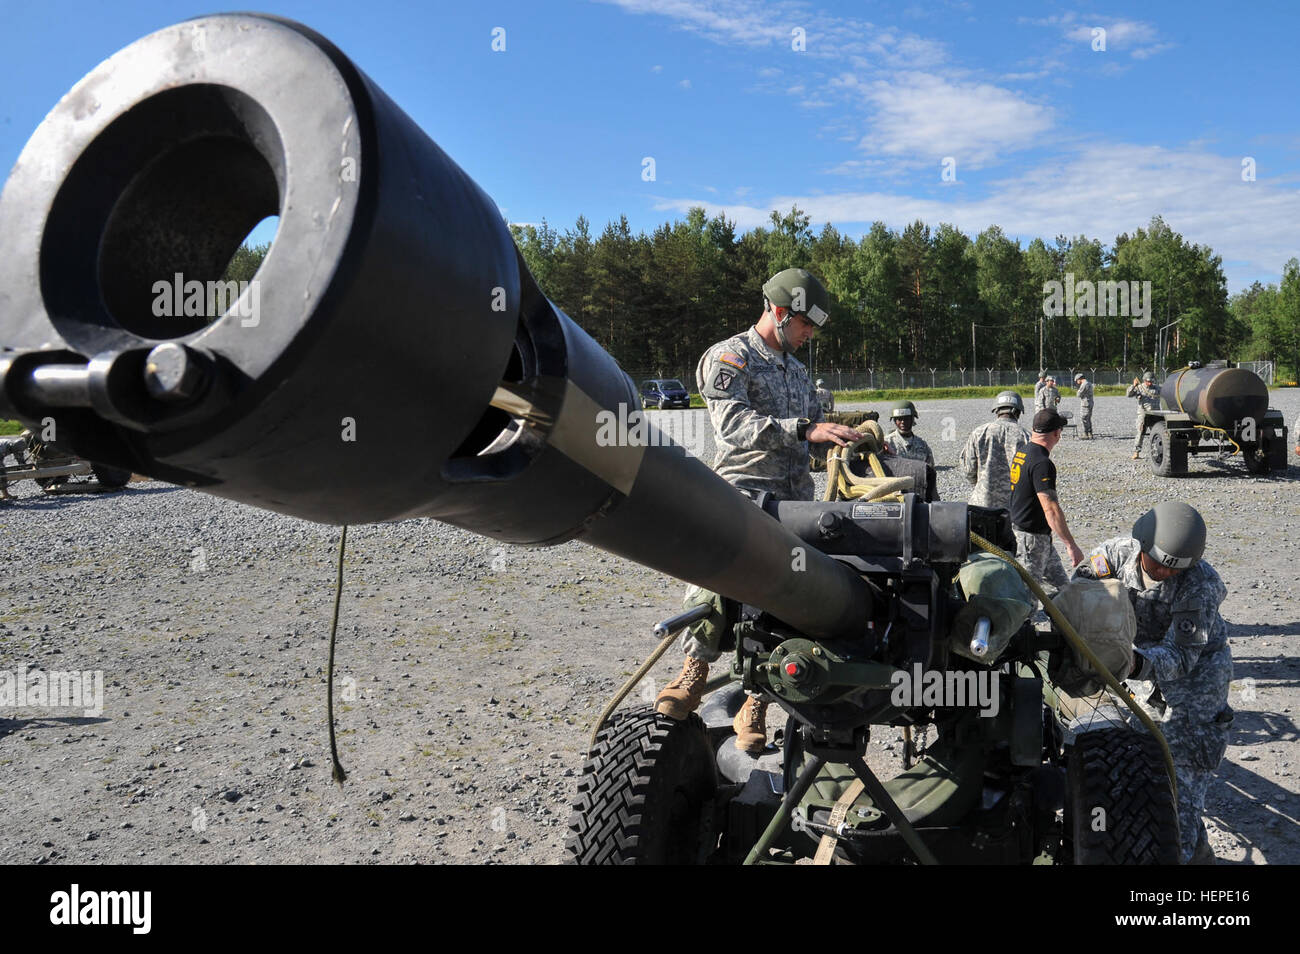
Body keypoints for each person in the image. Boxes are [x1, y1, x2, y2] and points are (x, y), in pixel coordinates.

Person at [656, 267, 862, 753]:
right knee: (715, 575)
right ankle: (696, 668)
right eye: (805, 325)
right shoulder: (731, 357)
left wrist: (850, 431)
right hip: (743, 490)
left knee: (785, 594)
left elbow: (812, 424)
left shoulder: (795, 369)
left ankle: (757, 697)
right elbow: (732, 423)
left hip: (794, 498)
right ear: (780, 311)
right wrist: (801, 431)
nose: (810, 335)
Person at [1072, 502, 1232, 865]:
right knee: (1144, 768)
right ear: (1142, 545)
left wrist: (1127, 663)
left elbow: (1180, 657)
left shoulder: (1200, 586)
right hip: (1145, 673)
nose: (1163, 573)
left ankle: (1189, 858)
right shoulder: (1116, 555)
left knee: (1181, 793)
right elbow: (1079, 590)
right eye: (1157, 563)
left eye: (1173, 569)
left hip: (1196, 688)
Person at [1009, 409, 1085, 594]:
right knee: (1027, 603)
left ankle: (1060, 622)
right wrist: (1071, 545)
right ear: (1056, 433)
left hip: (1038, 539)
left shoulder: (1023, 451)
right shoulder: (1042, 463)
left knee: (1064, 591)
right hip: (1030, 542)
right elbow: (1050, 509)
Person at [958, 390, 1029, 510]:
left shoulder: (979, 433)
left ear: (997, 410)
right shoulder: (1026, 436)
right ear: (1018, 412)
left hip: (982, 505)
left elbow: (968, 470)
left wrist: (981, 485)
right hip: (1015, 508)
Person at [883, 401, 934, 466]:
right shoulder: (886, 443)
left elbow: (930, 470)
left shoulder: (923, 445)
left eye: (906, 418)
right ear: (895, 421)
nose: (903, 422)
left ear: (912, 419)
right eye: (899, 419)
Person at [1127, 371, 1161, 459]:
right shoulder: (1139, 388)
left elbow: (1166, 393)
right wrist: (1133, 385)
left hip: (1155, 414)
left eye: (1151, 381)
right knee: (1140, 432)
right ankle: (1136, 452)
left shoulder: (1157, 388)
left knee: (1157, 433)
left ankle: (1158, 452)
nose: (1150, 383)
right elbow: (1128, 394)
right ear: (1144, 380)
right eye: (1148, 381)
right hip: (1143, 414)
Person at [1074, 373, 1094, 439]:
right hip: (1090, 402)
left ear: (1080, 379)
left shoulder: (1084, 384)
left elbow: (1078, 394)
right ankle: (1090, 433)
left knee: (1084, 418)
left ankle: (1086, 433)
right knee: (1088, 418)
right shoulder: (1089, 383)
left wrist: (1078, 390)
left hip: (1085, 403)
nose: (1077, 382)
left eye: (1077, 380)